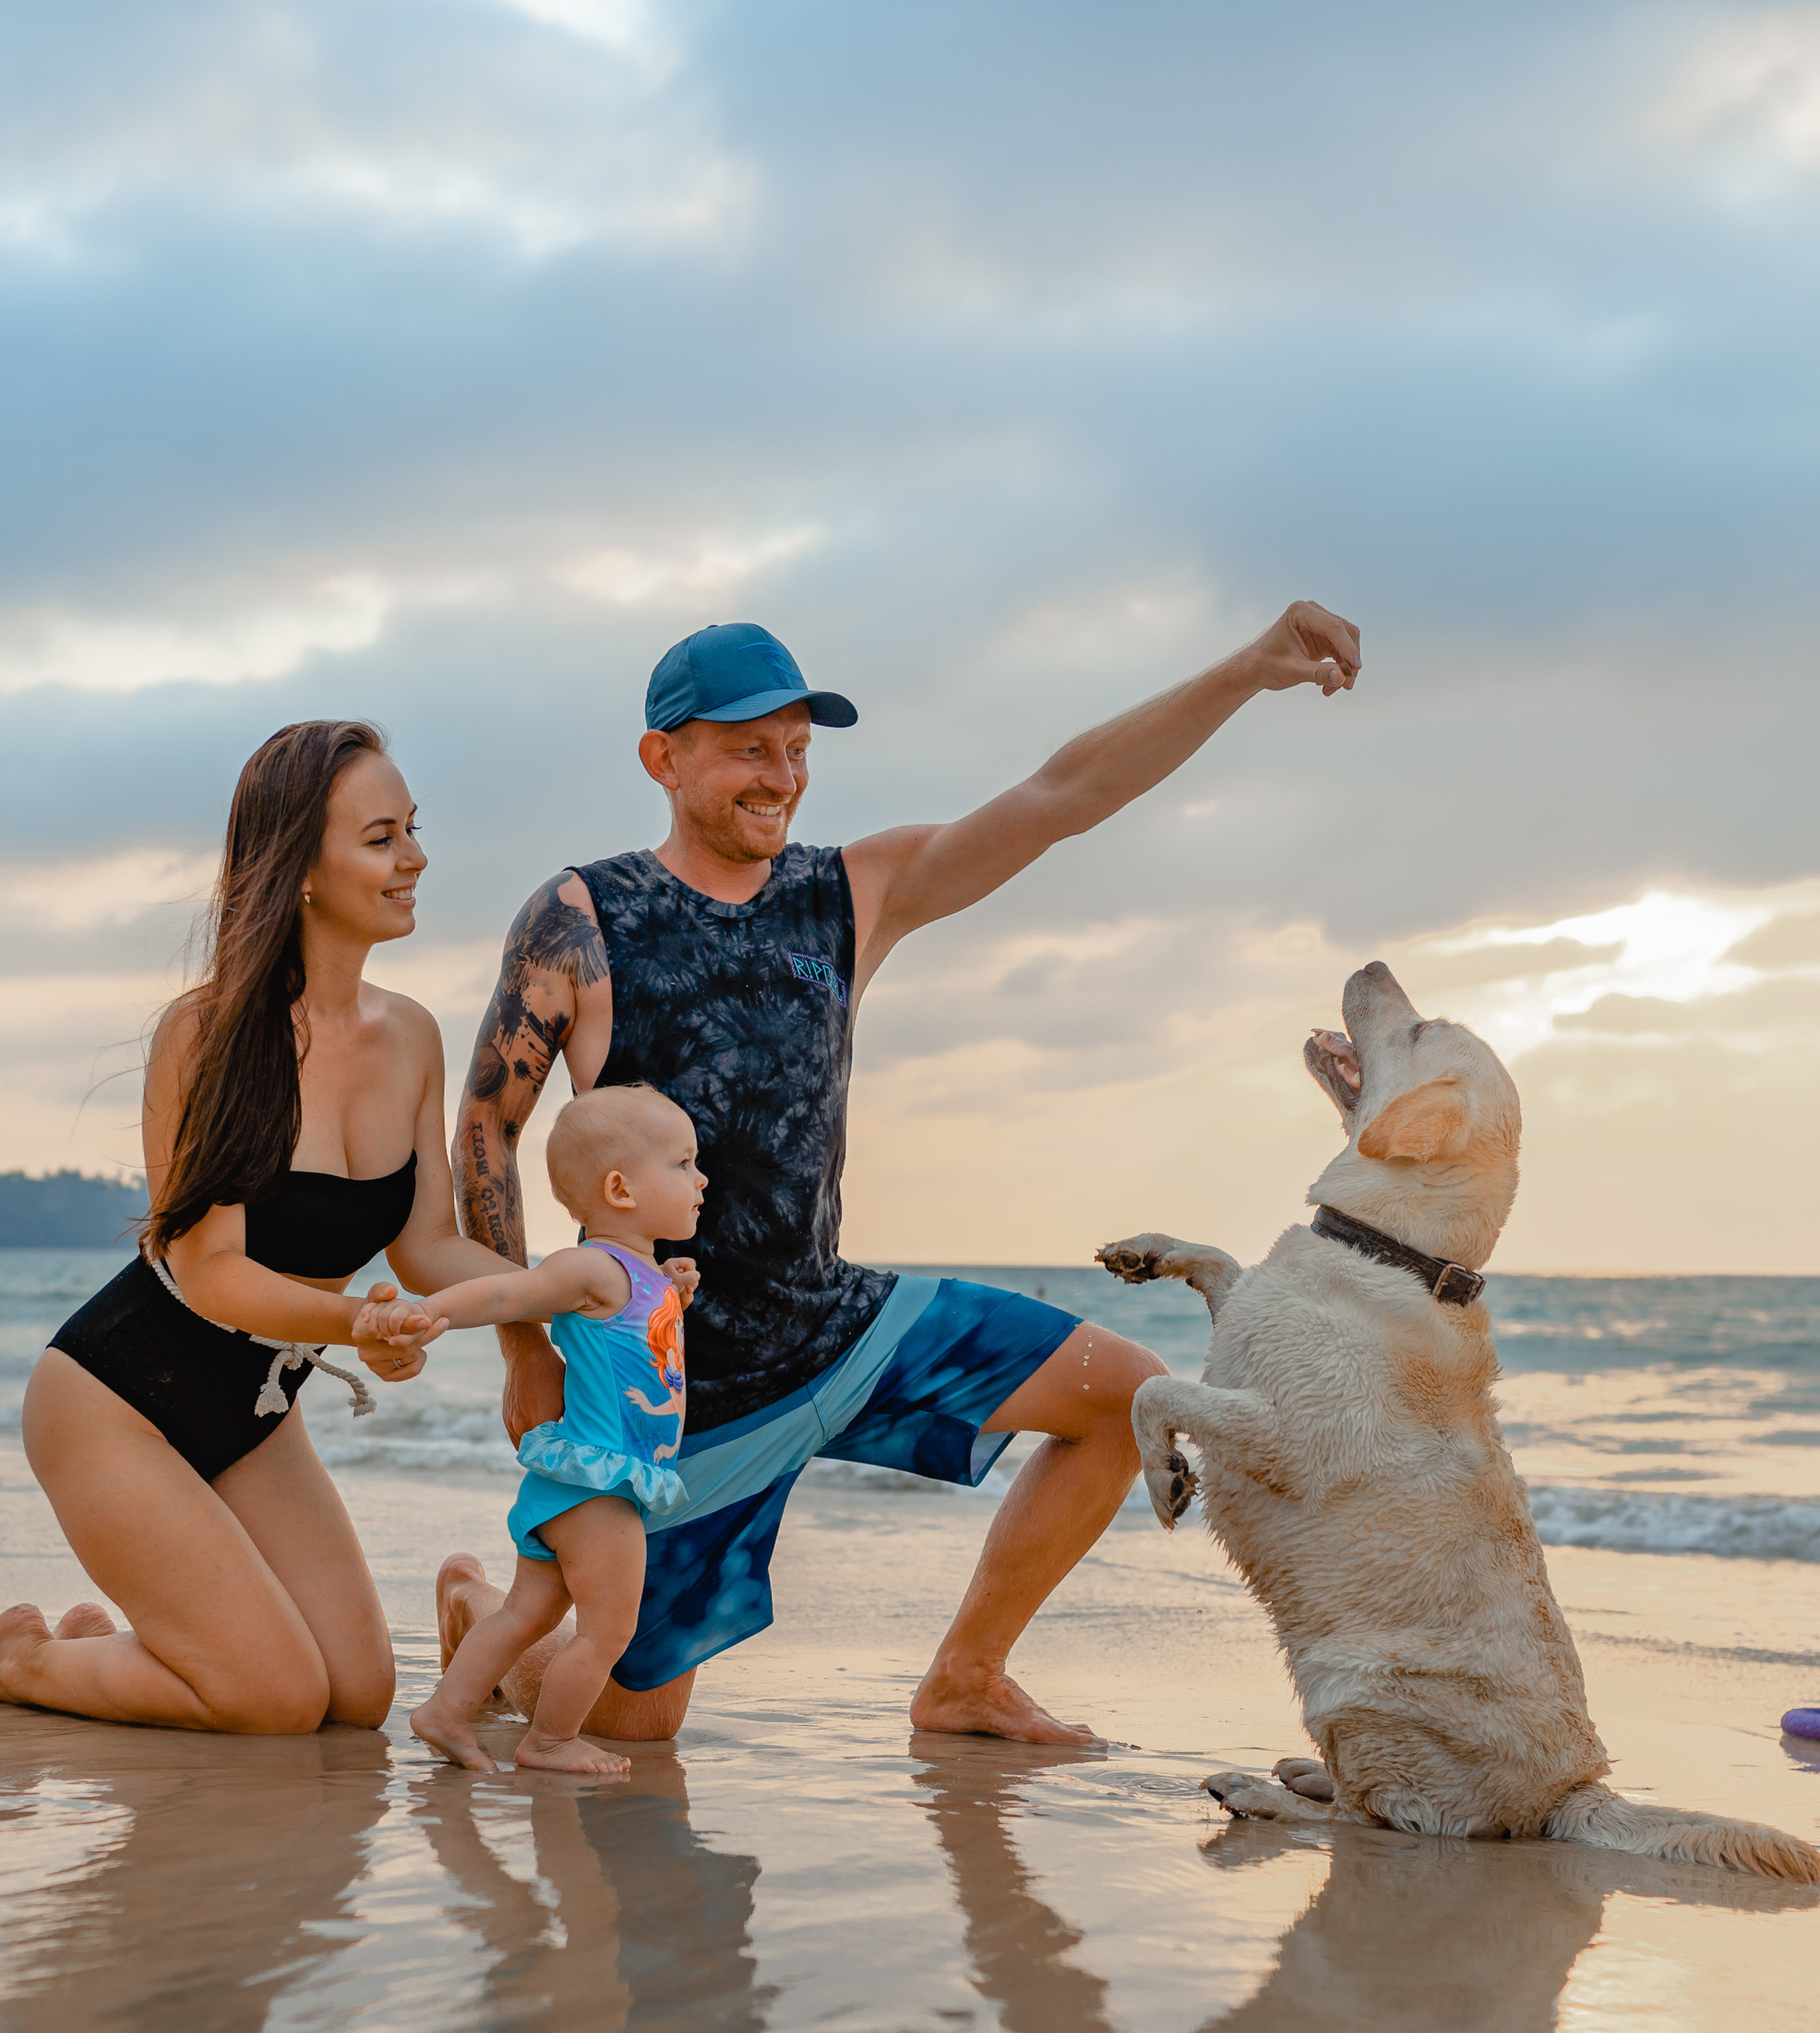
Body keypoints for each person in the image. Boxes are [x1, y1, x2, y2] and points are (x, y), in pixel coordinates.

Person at [441, 601, 1360, 1751]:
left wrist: (1246, 670)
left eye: (799, 751)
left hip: (836, 1325)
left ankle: (966, 1678)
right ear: (663, 759)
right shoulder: (584, 917)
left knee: (1125, 1393)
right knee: (631, 1732)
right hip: (678, 1392)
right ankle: (483, 1613)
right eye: (747, 749)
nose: (782, 777)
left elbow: (1058, 799)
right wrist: (527, 1347)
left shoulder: (850, 894)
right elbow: (486, 1131)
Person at [0, 719, 510, 1734]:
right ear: (298, 868)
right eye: (382, 837)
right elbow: (211, 1277)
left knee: (358, 1697)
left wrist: (574, 1291)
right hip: (114, 1404)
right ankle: (20, 1662)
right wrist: (362, 1328)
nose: (415, 857)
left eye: (413, 829)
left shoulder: (412, 1034)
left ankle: (134, 1641)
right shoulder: (205, 1035)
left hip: (254, 1407)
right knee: (275, 1700)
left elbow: (425, 1247)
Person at [394, 1084, 704, 1778]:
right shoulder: (593, 1267)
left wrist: (673, 1289)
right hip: (598, 1490)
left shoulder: (643, 1273)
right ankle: (552, 1740)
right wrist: (430, 1312)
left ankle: (446, 1711)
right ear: (620, 1189)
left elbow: (638, 1342)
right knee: (609, 1631)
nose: (701, 1180)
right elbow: (508, 1293)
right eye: (684, 1164)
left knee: (524, 1615)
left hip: (571, 1486)